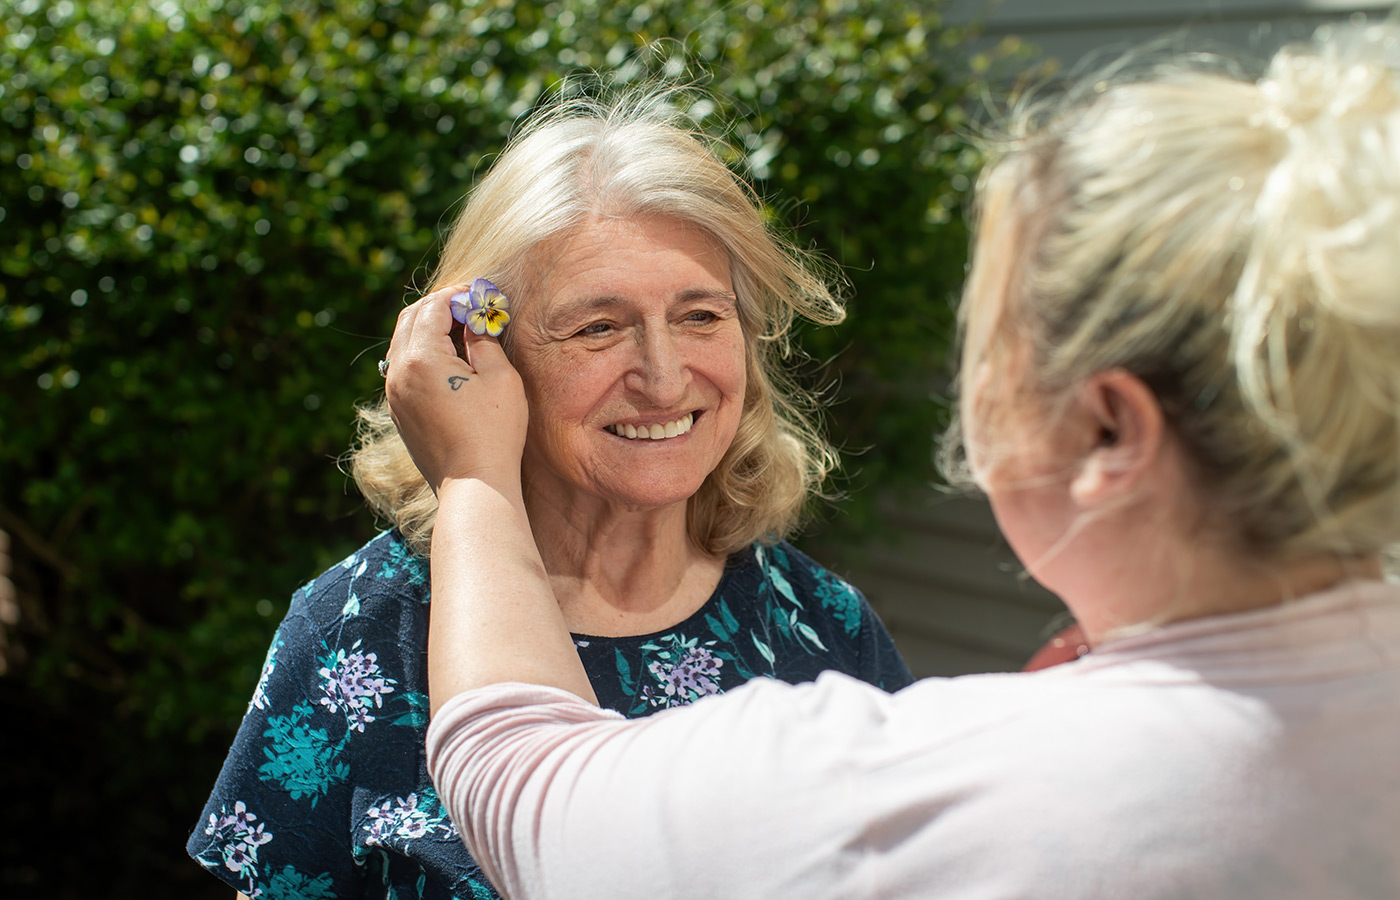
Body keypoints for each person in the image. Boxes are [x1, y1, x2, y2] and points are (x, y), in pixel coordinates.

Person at [406, 22, 1400, 900]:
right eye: (595, 327)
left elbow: (518, 778)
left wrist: (476, 475)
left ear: (1106, 431)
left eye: (989, 334)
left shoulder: (885, 760)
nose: (663, 374)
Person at [187, 92, 913, 900]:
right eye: (597, 327)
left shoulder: (825, 625)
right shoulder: (360, 631)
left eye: (701, 315)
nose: (665, 376)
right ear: (485, 357)